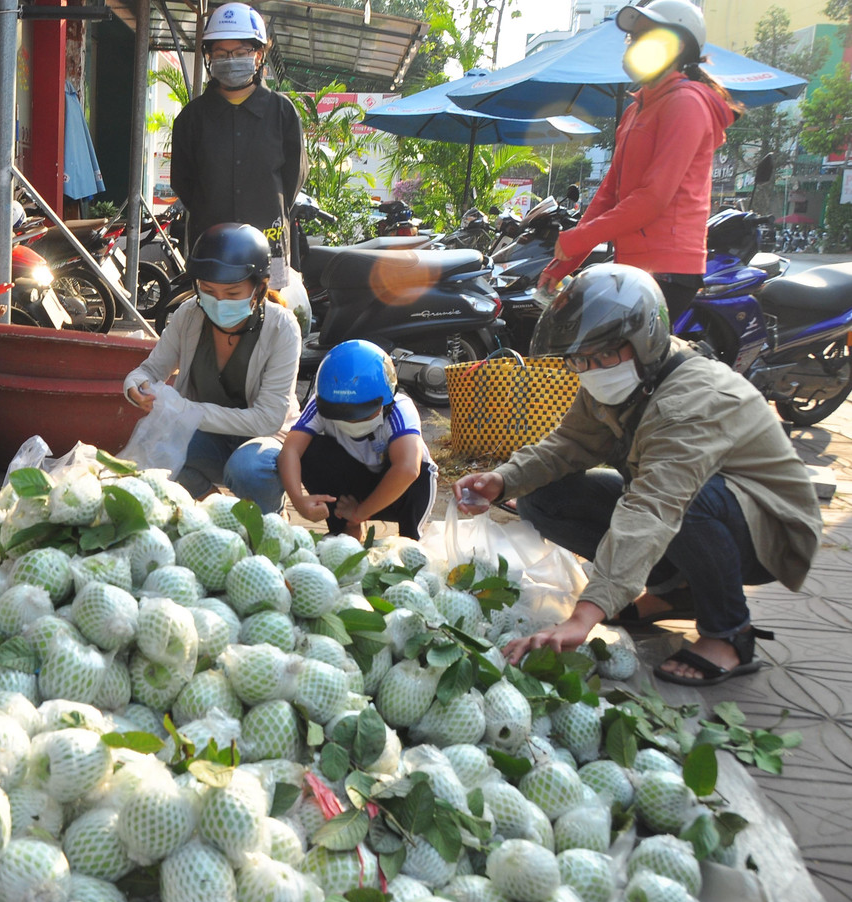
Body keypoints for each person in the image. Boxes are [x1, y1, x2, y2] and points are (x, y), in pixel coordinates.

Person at [454, 265, 821, 687]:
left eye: (604, 355)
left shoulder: (689, 401)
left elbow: (652, 507)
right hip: (687, 506)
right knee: (542, 497)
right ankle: (671, 589)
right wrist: (502, 479)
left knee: (689, 499)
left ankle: (730, 633)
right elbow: (568, 446)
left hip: (770, 530)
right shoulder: (622, 378)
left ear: (643, 340)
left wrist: (585, 615)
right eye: (580, 360)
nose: (591, 369)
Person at [538, 0, 739, 322]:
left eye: (646, 35)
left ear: (678, 45)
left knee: (624, 367)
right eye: (633, 36)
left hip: (669, 268)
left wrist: (580, 238)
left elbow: (653, 198)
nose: (633, 43)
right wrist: (566, 261)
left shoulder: (687, 103)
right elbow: (608, 193)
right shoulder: (636, 110)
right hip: (633, 262)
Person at [123, 223, 300, 513]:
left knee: (248, 469)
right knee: (156, 447)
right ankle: (212, 509)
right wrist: (134, 386)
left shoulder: (282, 327)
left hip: (265, 443)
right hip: (209, 439)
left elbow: (267, 420)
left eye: (232, 294)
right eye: (208, 291)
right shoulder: (189, 315)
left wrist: (187, 411)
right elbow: (150, 370)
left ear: (260, 287)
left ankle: (270, 519)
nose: (219, 302)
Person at [170, 2, 307, 288]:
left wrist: (263, 205)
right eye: (221, 53)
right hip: (209, 247)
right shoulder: (191, 118)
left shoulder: (282, 113)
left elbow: (293, 178)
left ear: (258, 56)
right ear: (209, 57)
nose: (230, 60)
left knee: (272, 320)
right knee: (210, 320)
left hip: (270, 246)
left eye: (240, 53)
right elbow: (183, 181)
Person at [279, 340, 437, 540]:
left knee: (419, 470)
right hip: (352, 491)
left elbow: (407, 469)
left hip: (399, 492)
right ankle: (344, 530)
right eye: (342, 414)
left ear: (384, 401)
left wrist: (360, 513)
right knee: (312, 451)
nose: (351, 421)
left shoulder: (400, 409)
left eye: (361, 414)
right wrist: (298, 500)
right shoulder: (321, 404)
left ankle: (410, 537)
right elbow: (290, 450)